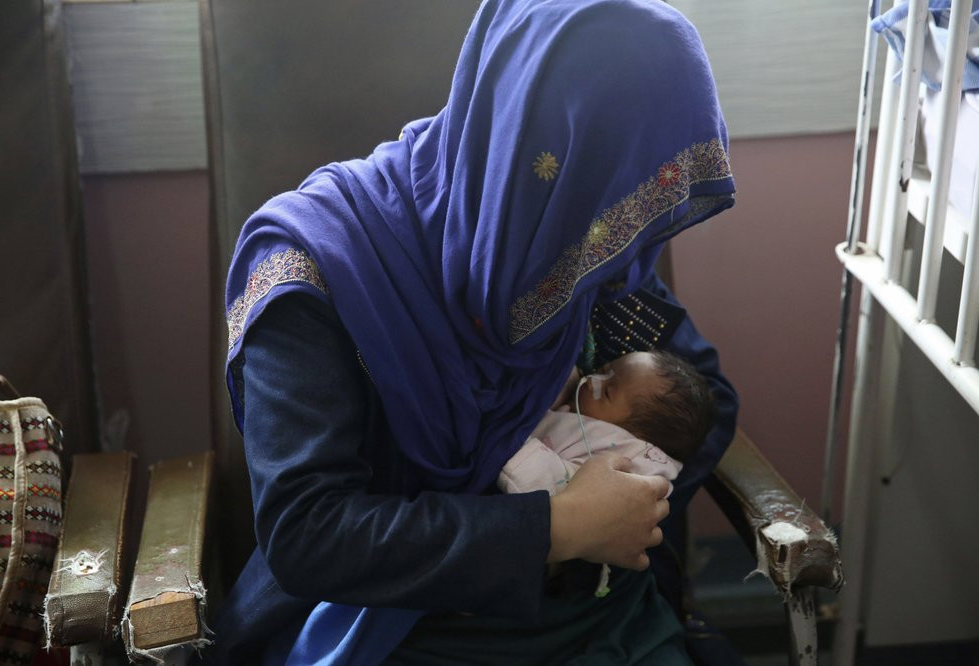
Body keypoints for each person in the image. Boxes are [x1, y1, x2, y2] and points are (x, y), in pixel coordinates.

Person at [210, 0, 739, 663]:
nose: (630, 268)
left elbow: (698, 398)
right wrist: (554, 527)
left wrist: (618, 494)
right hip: (386, 627)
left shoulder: (585, 247)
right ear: (546, 169)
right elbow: (308, 534)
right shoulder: (312, 277)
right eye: (611, 216)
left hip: (591, 614)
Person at [498, 350, 715, 498]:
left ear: (634, 434)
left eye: (608, 392)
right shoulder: (580, 408)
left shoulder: (624, 461)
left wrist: (515, 448)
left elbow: (557, 484)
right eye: (603, 371)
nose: (593, 380)